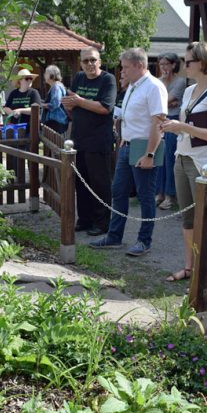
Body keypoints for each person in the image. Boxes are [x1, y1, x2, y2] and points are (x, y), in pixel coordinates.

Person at [159, 41, 207, 281]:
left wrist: (182, 126)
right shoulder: (189, 91)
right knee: (187, 219)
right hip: (182, 157)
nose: (184, 66)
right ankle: (189, 268)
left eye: (188, 62)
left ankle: (204, 274)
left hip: (203, 165)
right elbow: (187, 129)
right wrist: (172, 127)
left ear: (203, 62)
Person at [89, 48, 167, 256]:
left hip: (144, 148)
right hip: (128, 146)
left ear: (139, 65)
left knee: (146, 196)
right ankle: (114, 236)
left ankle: (144, 241)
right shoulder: (134, 86)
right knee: (119, 192)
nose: (122, 71)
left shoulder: (153, 87)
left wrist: (150, 154)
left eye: (125, 67)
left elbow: (158, 122)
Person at [62, 47, 117, 237]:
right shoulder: (78, 78)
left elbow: (105, 107)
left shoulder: (107, 80)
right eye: (86, 61)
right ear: (81, 63)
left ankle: (102, 223)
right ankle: (84, 219)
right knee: (81, 182)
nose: (90, 64)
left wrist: (78, 101)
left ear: (99, 62)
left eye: (93, 60)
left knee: (100, 184)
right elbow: (72, 103)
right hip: (79, 138)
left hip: (99, 141)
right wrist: (69, 104)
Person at [155, 53, 187, 210]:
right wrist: (169, 103)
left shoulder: (180, 81)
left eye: (166, 64)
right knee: (158, 160)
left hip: (173, 123)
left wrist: (168, 102)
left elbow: (163, 101)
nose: (163, 68)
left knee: (169, 159)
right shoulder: (158, 81)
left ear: (174, 65)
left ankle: (169, 196)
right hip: (159, 123)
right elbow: (155, 104)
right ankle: (159, 193)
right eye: (161, 64)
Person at [3, 68, 42, 135]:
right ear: (20, 80)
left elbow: (36, 109)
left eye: (31, 78)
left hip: (30, 130)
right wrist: (13, 113)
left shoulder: (34, 93)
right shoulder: (13, 93)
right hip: (15, 129)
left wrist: (20, 110)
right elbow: (6, 107)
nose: (29, 80)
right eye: (27, 78)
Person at [41, 65, 69, 134]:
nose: (44, 75)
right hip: (56, 121)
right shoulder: (56, 85)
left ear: (51, 75)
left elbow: (55, 104)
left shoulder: (56, 86)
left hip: (56, 121)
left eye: (46, 73)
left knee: (55, 144)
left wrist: (42, 105)